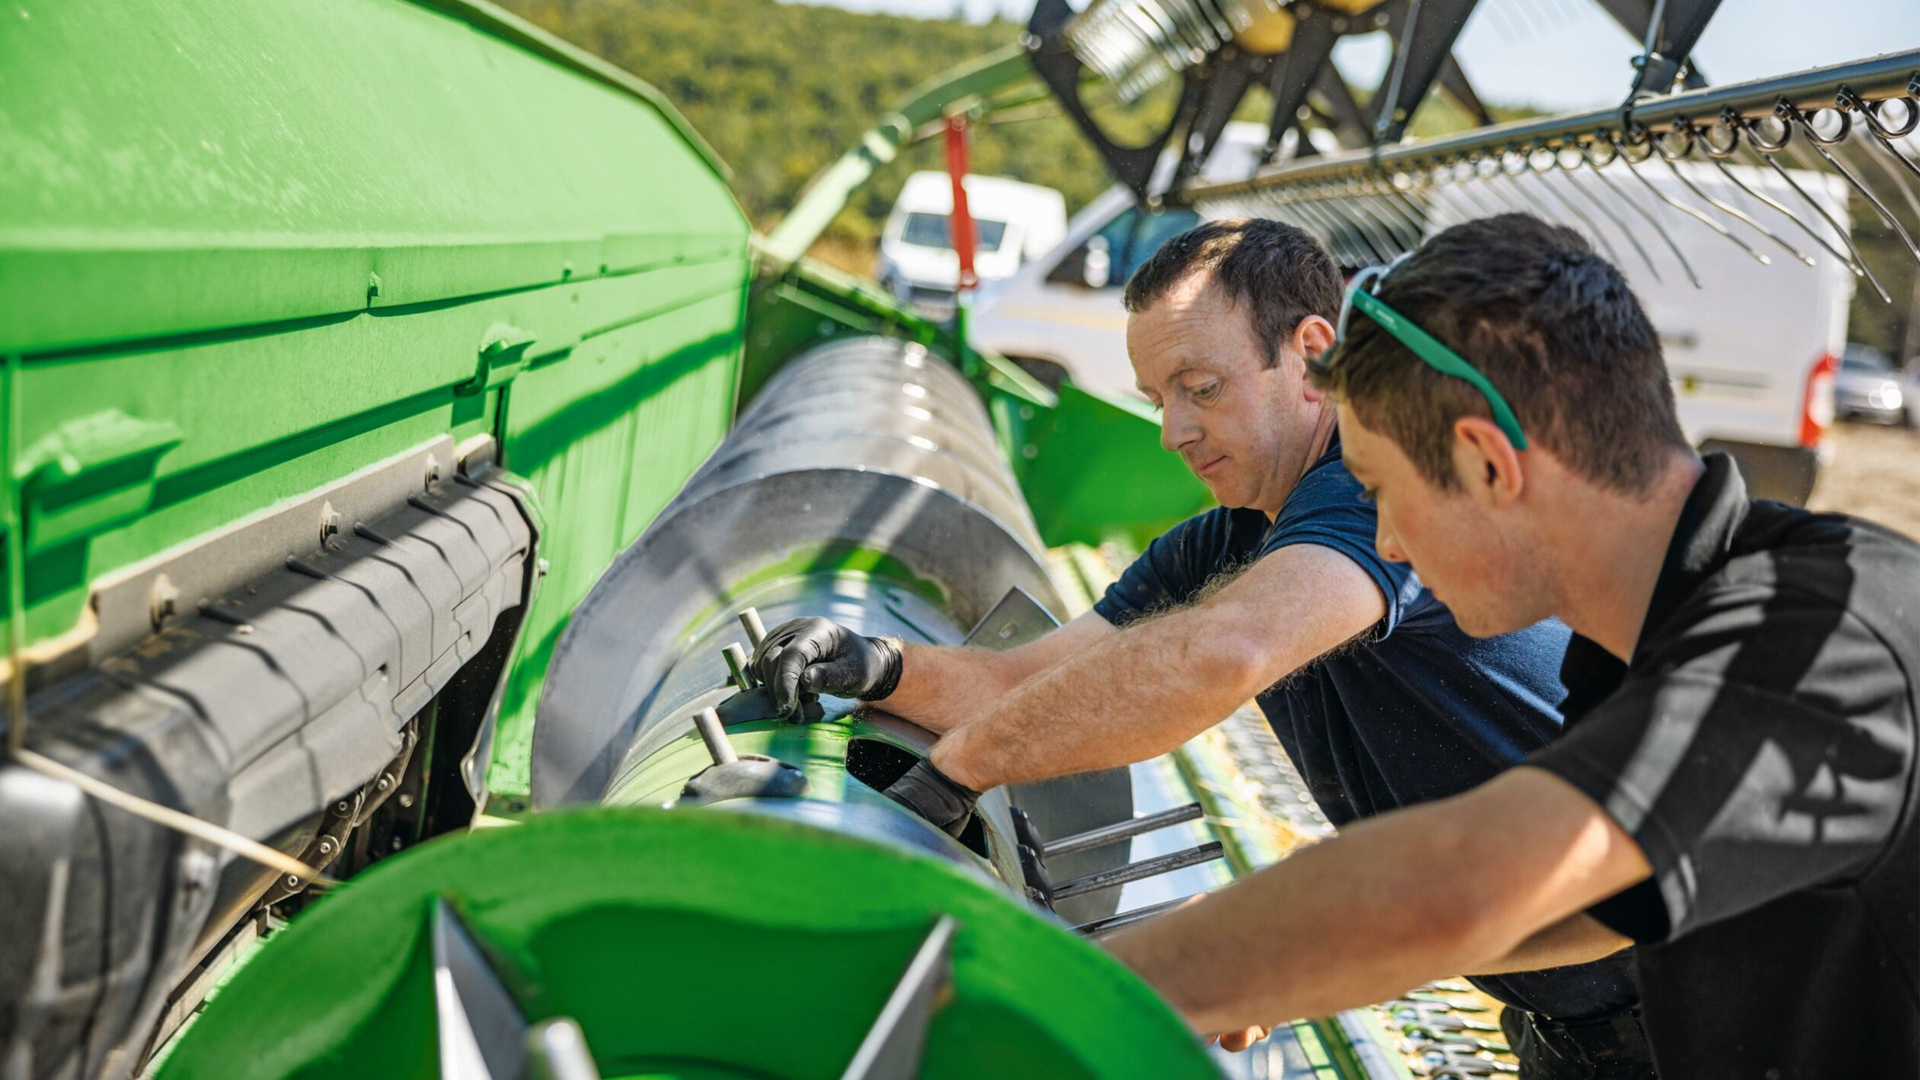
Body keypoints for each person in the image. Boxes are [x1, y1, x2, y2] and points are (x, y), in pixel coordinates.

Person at [752, 218, 1654, 1077]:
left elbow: (1225, 653)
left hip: (1687, 989)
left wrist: (962, 771)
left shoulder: (1382, 489)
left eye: (1202, 388)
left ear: (1311, 355)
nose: (1173, 430)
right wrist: (877, 664)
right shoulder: (1225, 543)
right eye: (1157, 398)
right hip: (1565, 1013)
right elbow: (1022, 680)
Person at [1102, 214, 1920, 1079]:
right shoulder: (1640, 641)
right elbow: (1604, 903)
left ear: (1488, 463)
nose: (1385, 544)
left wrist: (1102, 980)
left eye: (1383, 493)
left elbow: (1466, 886)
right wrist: (1287, 963)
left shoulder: (1816, 634)